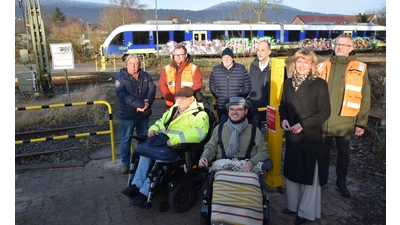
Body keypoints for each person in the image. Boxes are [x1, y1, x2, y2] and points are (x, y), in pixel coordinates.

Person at [121, 87, 210, 207]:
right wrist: (153, 129)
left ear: (192, 99)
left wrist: (175, 140)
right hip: (164, 144)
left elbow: (199, 133)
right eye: (178, 98)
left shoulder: (200, 114)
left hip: (180, 148)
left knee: (160, 160)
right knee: (145, 154)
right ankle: (136, 185)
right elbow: (160, 122)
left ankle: (144, 192)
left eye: (184, 98)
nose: (180, 101)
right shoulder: (173, 110)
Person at [279, 49, 331, 225]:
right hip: (292, 133)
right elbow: (283, 106)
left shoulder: (319, 84)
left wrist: (303, 124)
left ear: (312, 65)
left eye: (306, 62)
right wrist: (284, 119)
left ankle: (305, 211)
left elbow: (325, 112)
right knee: (292, 170)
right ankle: (293, 205)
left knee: (308, 172)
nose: (301, 65)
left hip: (309, 134)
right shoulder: (287, 83)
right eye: (298, 62)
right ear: (294, 63)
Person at [317, 34, 371, 198]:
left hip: (346, 120)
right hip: (324, 120)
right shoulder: (322, 66)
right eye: (337, 44)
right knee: (322, 152)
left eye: (344, 45)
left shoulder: (360, 68)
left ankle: (341, 182)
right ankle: (322, 180)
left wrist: (361, 123)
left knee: (344, 153)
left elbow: (365, 96)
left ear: (351, 48)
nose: (339, 47)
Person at [199, 97, 268, 171]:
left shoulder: (254, 130)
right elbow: (210, 147)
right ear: (228, 111)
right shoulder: (219, 128)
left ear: (246, 111)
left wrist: (252, 162)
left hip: (246, 169)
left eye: (239, 109)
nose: (234, 112)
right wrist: (204, 157)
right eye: (231, 109)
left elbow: (263, 152)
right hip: (222, 168)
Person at [114, 54, 156, 174]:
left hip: (144, 115)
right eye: (131, 64)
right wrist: (140, 104)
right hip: (128, 115)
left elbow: (152, 90)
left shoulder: (146, 76)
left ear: (140, 64)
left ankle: (141, 161)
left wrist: (146, 104)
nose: (133, 66)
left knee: (143, 138)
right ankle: (125, 163)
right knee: (127, 138)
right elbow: (123, 96)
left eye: (136, 63)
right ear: (126, 65)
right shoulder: (120, 79)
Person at [209, 48, 251, 122]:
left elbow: (247, 86)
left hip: (237, 105)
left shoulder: (241, 69)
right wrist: (219, 96)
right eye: (224, 57)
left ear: (232, 58)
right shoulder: (215, 70)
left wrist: (240, 98)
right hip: (221, 105)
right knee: (223, 126)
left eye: (228, 57)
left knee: (237, 124)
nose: (226, 59)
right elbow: (212, 87)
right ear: (221, 58)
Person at [158, 44, 203, 110]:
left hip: (188, 106)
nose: (178, 57)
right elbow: (162, 85)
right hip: (170, 106)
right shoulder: (167, 69)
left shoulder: (194, 68)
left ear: (186, 55)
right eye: (176, 55)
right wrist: (173, 98)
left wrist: (183, 98)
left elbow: (198, 85)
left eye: (180, 55)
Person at [248, 40, 273, 127]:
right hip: (254, 109)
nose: (259, 53)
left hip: (269, 111)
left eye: (263, 50)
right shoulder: (253, 66)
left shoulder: (275, 67)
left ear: (269, 52)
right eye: (258, 50)